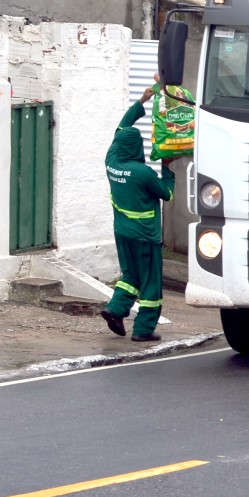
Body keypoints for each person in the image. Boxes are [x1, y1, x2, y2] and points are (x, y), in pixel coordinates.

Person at [100, 84, 176, 343]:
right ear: (137, 148)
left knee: (130, 276)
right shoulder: (143, 173)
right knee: (151, 284)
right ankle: (143, 329)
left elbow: (120, 129)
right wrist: (167, 168)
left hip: (122, 233)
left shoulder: (111, 161)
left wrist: (142, 101)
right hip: (145, 236)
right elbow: (167, 194)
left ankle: (115, 309)